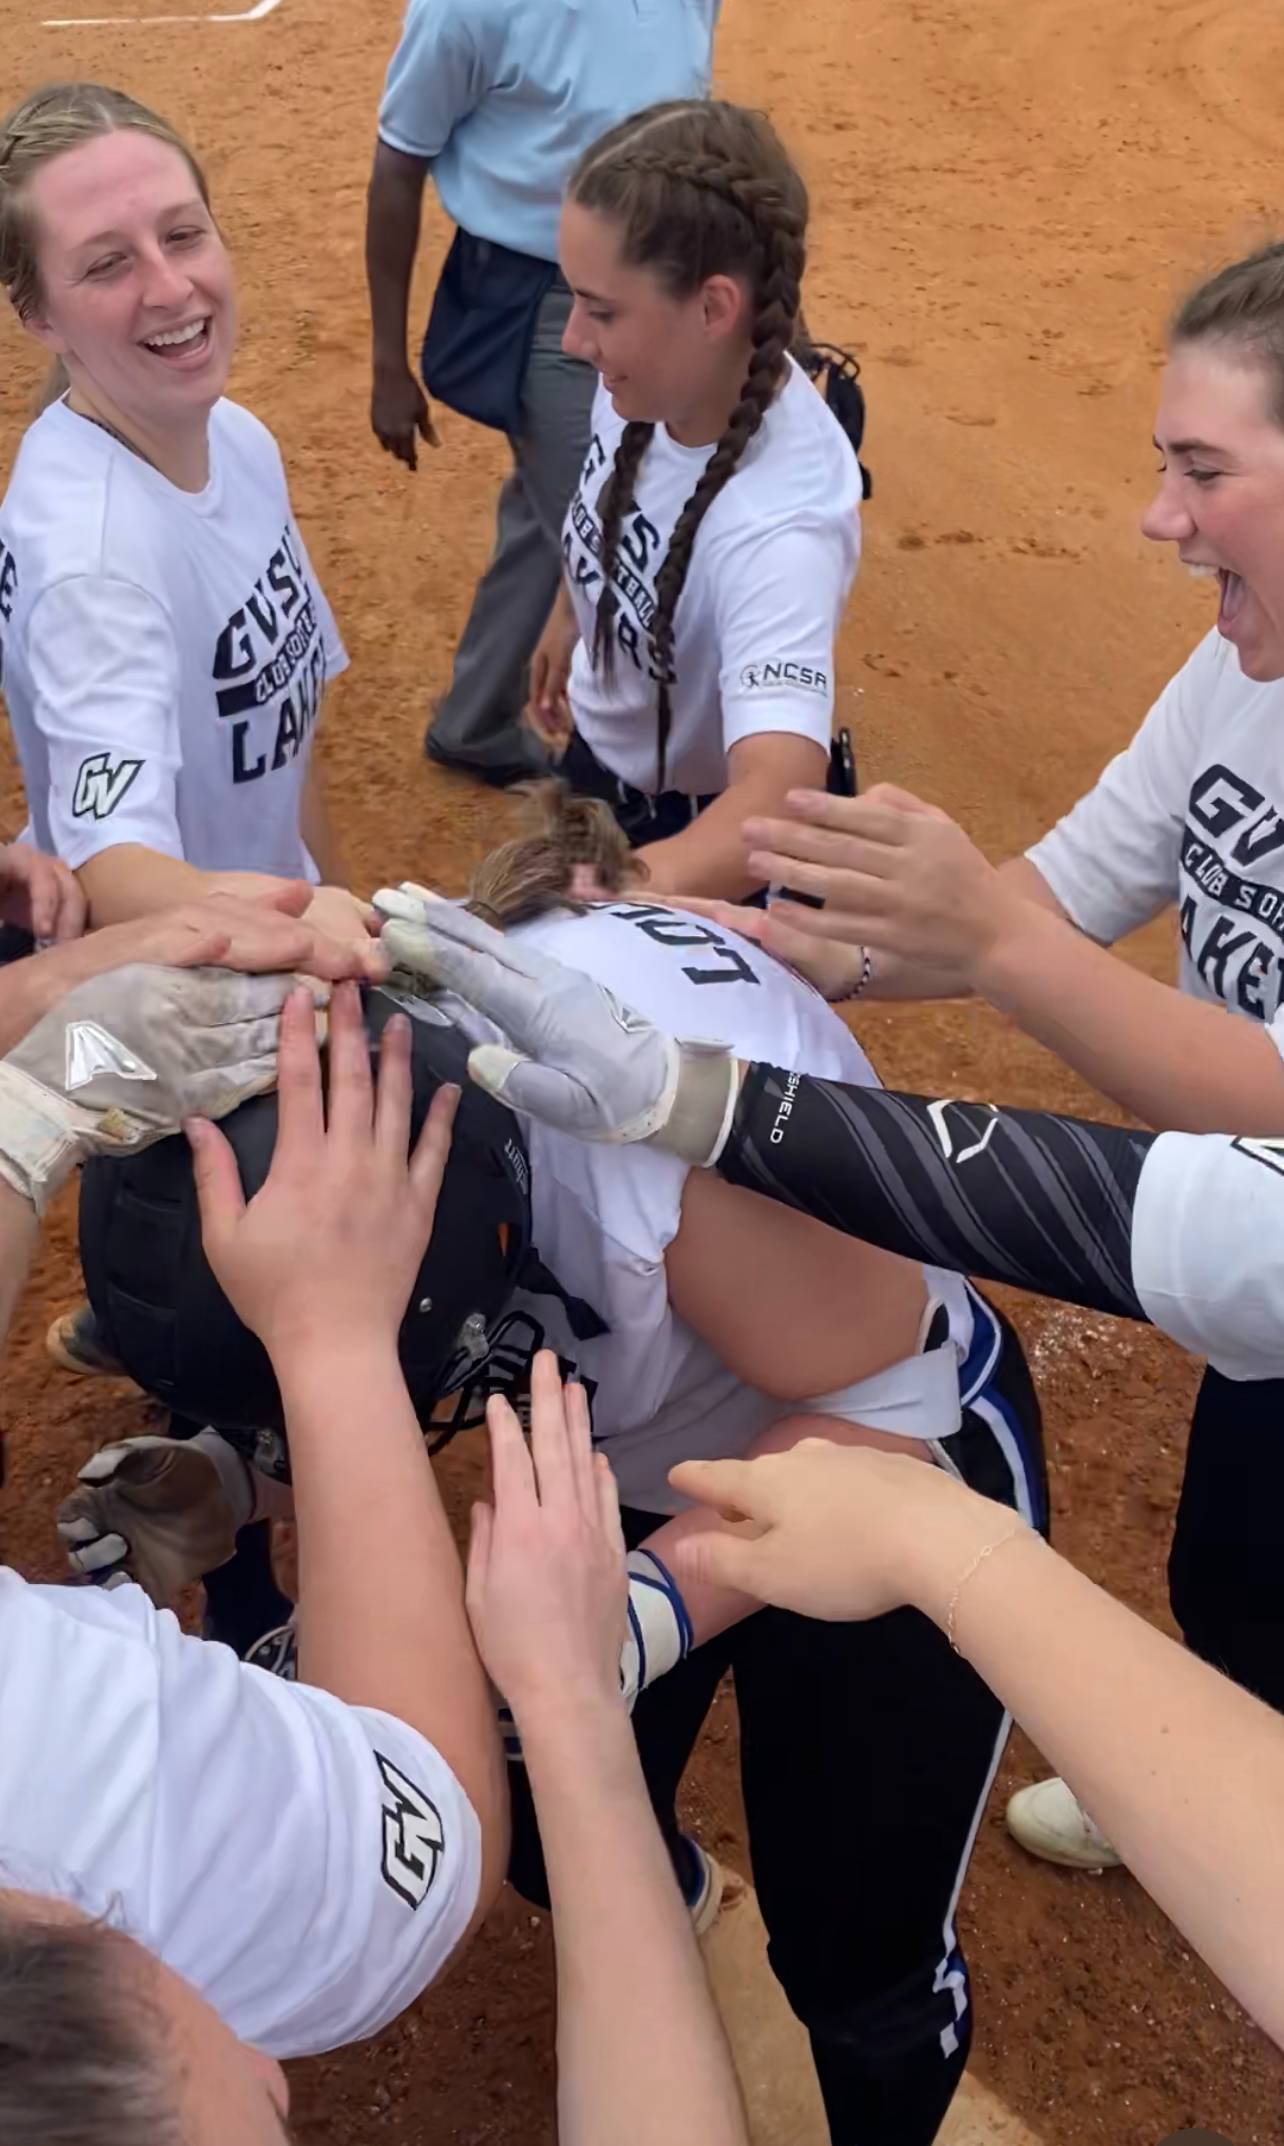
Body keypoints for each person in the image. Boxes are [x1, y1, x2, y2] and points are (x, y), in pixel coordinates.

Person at [67, 788, 1046, 2146]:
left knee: (856, 1958)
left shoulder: (643, 1163)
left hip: (887, 1430)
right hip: (644, 1422)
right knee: (543, 1824)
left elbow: (893, 1406)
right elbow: (346, 1333)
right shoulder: (370, 1123)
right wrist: (238, 1473)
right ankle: (685, 1923)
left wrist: (650, 1611)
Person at [672, 237, 1284, 1865]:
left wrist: (993, 951)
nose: (1156, 515)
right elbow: (1076, 880)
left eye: (1198, 471)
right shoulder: (1240, 667)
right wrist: (825, 948)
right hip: (1265, 1276)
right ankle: (1213, 1757)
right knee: (1233, 1563)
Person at [0, 903, 509, 2128]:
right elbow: (427, 1796)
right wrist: (333, 1340)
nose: (281, 2082)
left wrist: (44, 1086)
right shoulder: (93, 1811)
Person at [0, 83, 373, 952]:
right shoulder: (95, 564)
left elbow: (291, 737)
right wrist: (304, 922)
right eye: (107, 263)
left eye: (181, 235)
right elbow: (115, 869)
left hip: (265, 921)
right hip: (186, 983)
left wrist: (330, 887)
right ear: (37, 315)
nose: (170, 287)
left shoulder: (235, 437)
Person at [367, 0, 720, 787]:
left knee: (551, 510)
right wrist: (389, 362)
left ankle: (476, 718)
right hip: (541, 305)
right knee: (625, 542)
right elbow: (398, 164)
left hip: (659, 287)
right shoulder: (468, 10)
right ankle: (637, 783)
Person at [523, 99, 862, 896]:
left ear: (712, 308)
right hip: (602, 772)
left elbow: (776, 794)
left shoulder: (781, 529)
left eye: (601, 309)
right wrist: (574, 611)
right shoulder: (652, 375)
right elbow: (624, 499)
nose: (574, 339)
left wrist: (605, 900)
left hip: (689, 841)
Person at [467, 1352, 749, 2146]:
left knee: (857, 1963)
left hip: (825, 1439)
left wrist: (579, 1678)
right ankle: (675, 1881)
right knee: (545, 1848)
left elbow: (894, 1387)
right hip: (637, 1477)